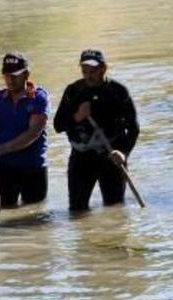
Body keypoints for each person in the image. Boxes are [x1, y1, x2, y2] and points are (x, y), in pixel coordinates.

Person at [54, 49, 139, 211]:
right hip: (81, 157)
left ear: (103, 68)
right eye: (84, 71)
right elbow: (58, 125)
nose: (88, 76)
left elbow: (134, 128)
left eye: (92, 71)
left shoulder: (118, 92)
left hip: (112, 157)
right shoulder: (73, 91)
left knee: (115, 210)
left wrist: (123, 153)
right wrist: (77, 117)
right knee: (77, 210)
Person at [0, 52, 50, 207]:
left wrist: (1, 149)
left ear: (26, 74)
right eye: (7, 75)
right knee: (4, 216)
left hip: (33, 167)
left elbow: (33, 133)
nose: (10, 79)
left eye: (15, 75)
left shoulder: (39, 98)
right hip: (4, 169)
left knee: (34, 216)